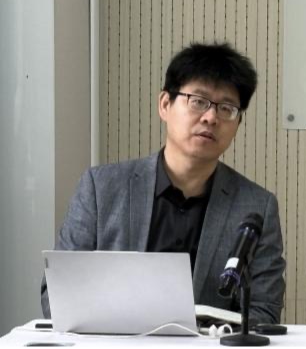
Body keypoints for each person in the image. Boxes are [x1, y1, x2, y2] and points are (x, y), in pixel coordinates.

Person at [41, 42, 286, 324]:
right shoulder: (101, 188)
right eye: (198, 101)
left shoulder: (256, 207)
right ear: (165, 105)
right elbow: (57, 296)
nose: (211, 117)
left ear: (238, 124)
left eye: (227, 108)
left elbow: (263, 313)